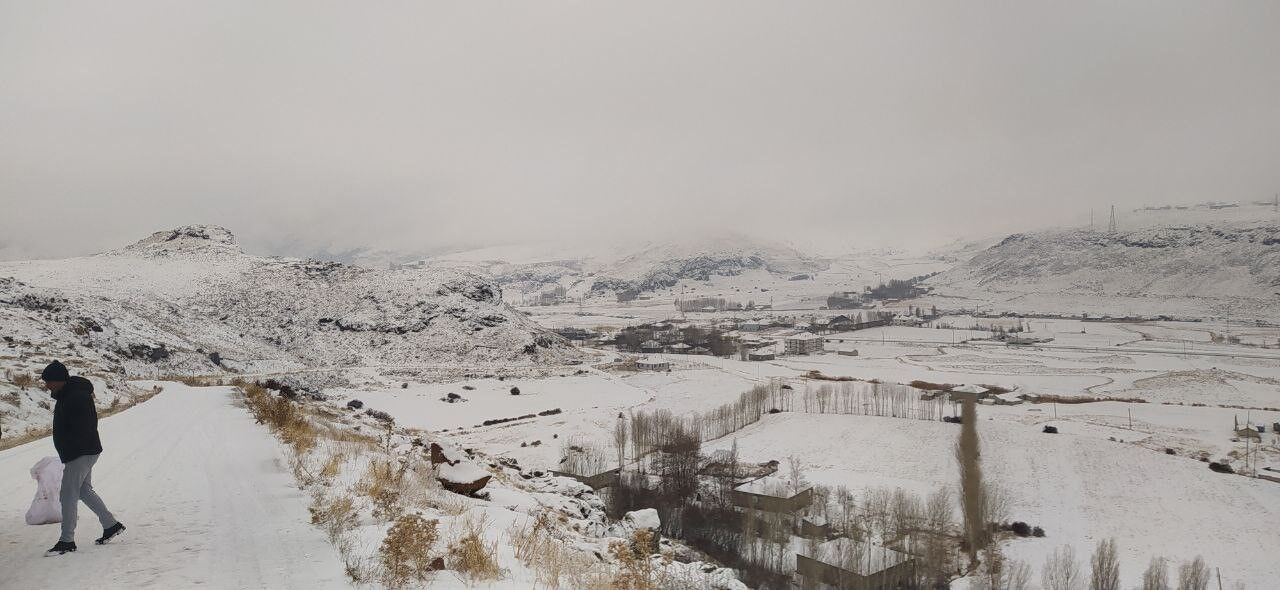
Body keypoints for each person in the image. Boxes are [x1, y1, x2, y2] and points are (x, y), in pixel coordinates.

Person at [40, 361, 125, 556]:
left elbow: (85, 425)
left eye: (49, 382)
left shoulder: (75, 396)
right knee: (83, 490)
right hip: (83, 451)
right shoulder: (68, 394)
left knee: (67, 495)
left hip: (80, 452)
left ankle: (66, 541)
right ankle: (110, 524)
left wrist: (72, 449)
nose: (47, 386)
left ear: (59, 380)